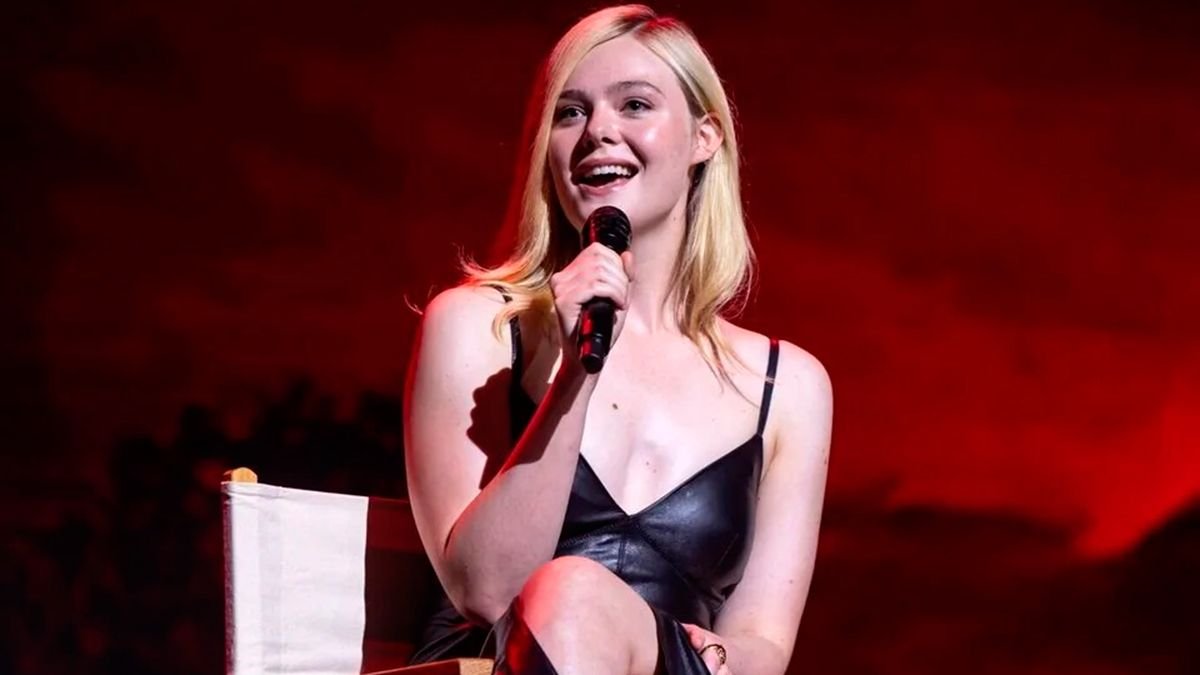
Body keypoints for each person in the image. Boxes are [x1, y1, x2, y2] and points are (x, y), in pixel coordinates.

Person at [404, 5, 832, 674]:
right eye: (570, 113)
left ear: (704, 138)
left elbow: (763, 645)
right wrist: (576, 375)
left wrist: (681, 648)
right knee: (569, 594)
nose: (598, 130)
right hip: (499, 663)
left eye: (634, 104)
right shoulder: (479, 328)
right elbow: (485, 590)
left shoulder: (788, 385)